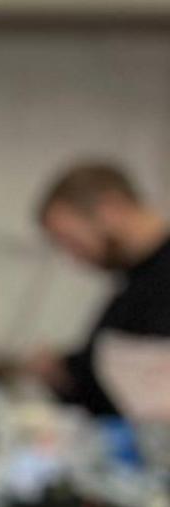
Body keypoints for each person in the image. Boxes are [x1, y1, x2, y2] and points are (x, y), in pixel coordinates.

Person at [36, 160, 170, 438]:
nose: (74, 256)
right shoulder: (137, 281)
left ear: (111, 210)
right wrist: (65, 370)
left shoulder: (159, 277)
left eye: (71, 239)